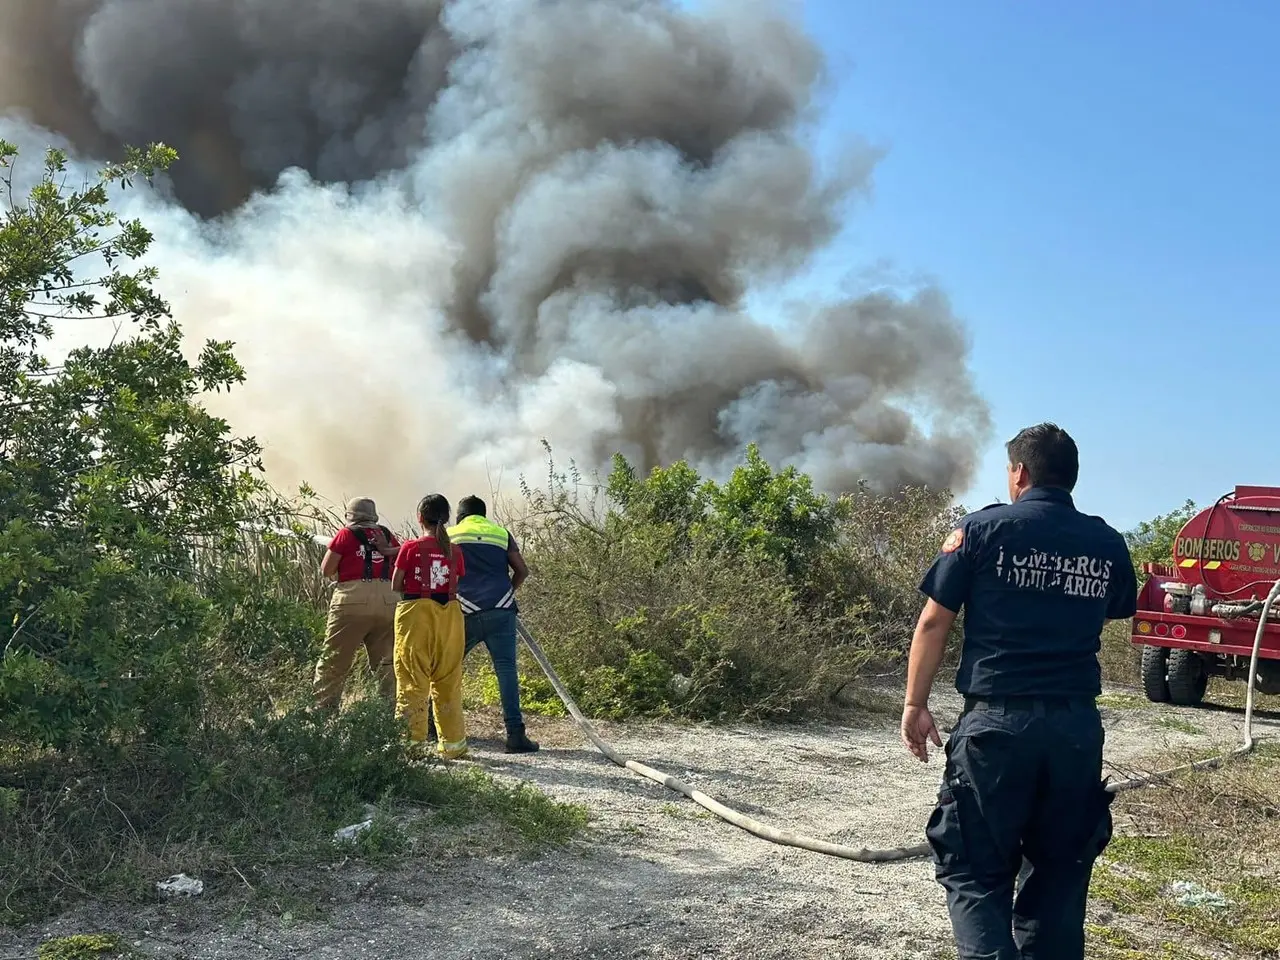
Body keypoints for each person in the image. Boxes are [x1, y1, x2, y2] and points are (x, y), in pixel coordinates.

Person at [901, 422, 1138, 960]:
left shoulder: (982, 531)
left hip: (996, 728)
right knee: (1059, 875)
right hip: (1075, 731)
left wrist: (915, 704)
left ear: (1020, 473)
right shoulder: (1105, 541)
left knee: (974, 870)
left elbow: (934, 623)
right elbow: (1121, 606)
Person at [448, 494, 538, 754]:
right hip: (502, 610)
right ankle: (515, 735)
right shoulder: (501, 533)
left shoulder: (451, 534)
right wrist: (507, 593)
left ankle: (435, 725)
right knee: (506, 669)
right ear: (483, 515)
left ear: (460, 515)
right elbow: (522, 570)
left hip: (464, 610)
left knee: (447, 667)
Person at [392, 493, 468, 759]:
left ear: (419, 518)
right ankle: (453, 746)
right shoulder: (454, 550)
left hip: (416, 616)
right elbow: (455, 580)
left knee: (413, 681)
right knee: (448, 682)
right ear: (446, 519)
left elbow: (396, 584)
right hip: (450, 617)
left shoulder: (410, 548)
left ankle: (411, 747)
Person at [314, 497, 401, 711]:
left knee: (334, 659)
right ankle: (389, 713)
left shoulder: (346, 534)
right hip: (389, 599)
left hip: (352, 599)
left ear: (350, 516)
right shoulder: (387, 536)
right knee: (386, 663)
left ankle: (322, 712)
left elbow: (327, 570)